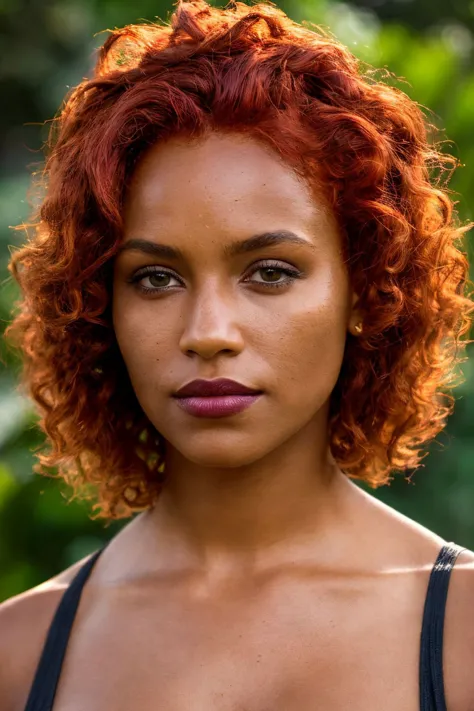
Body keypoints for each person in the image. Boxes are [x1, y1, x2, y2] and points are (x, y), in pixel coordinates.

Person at [1, 0, 474, 709]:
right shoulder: (19, 655)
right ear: (100, 305)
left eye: (270, 272)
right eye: (156, 278)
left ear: (366, 289)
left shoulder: (462, 634)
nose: (209, 330)